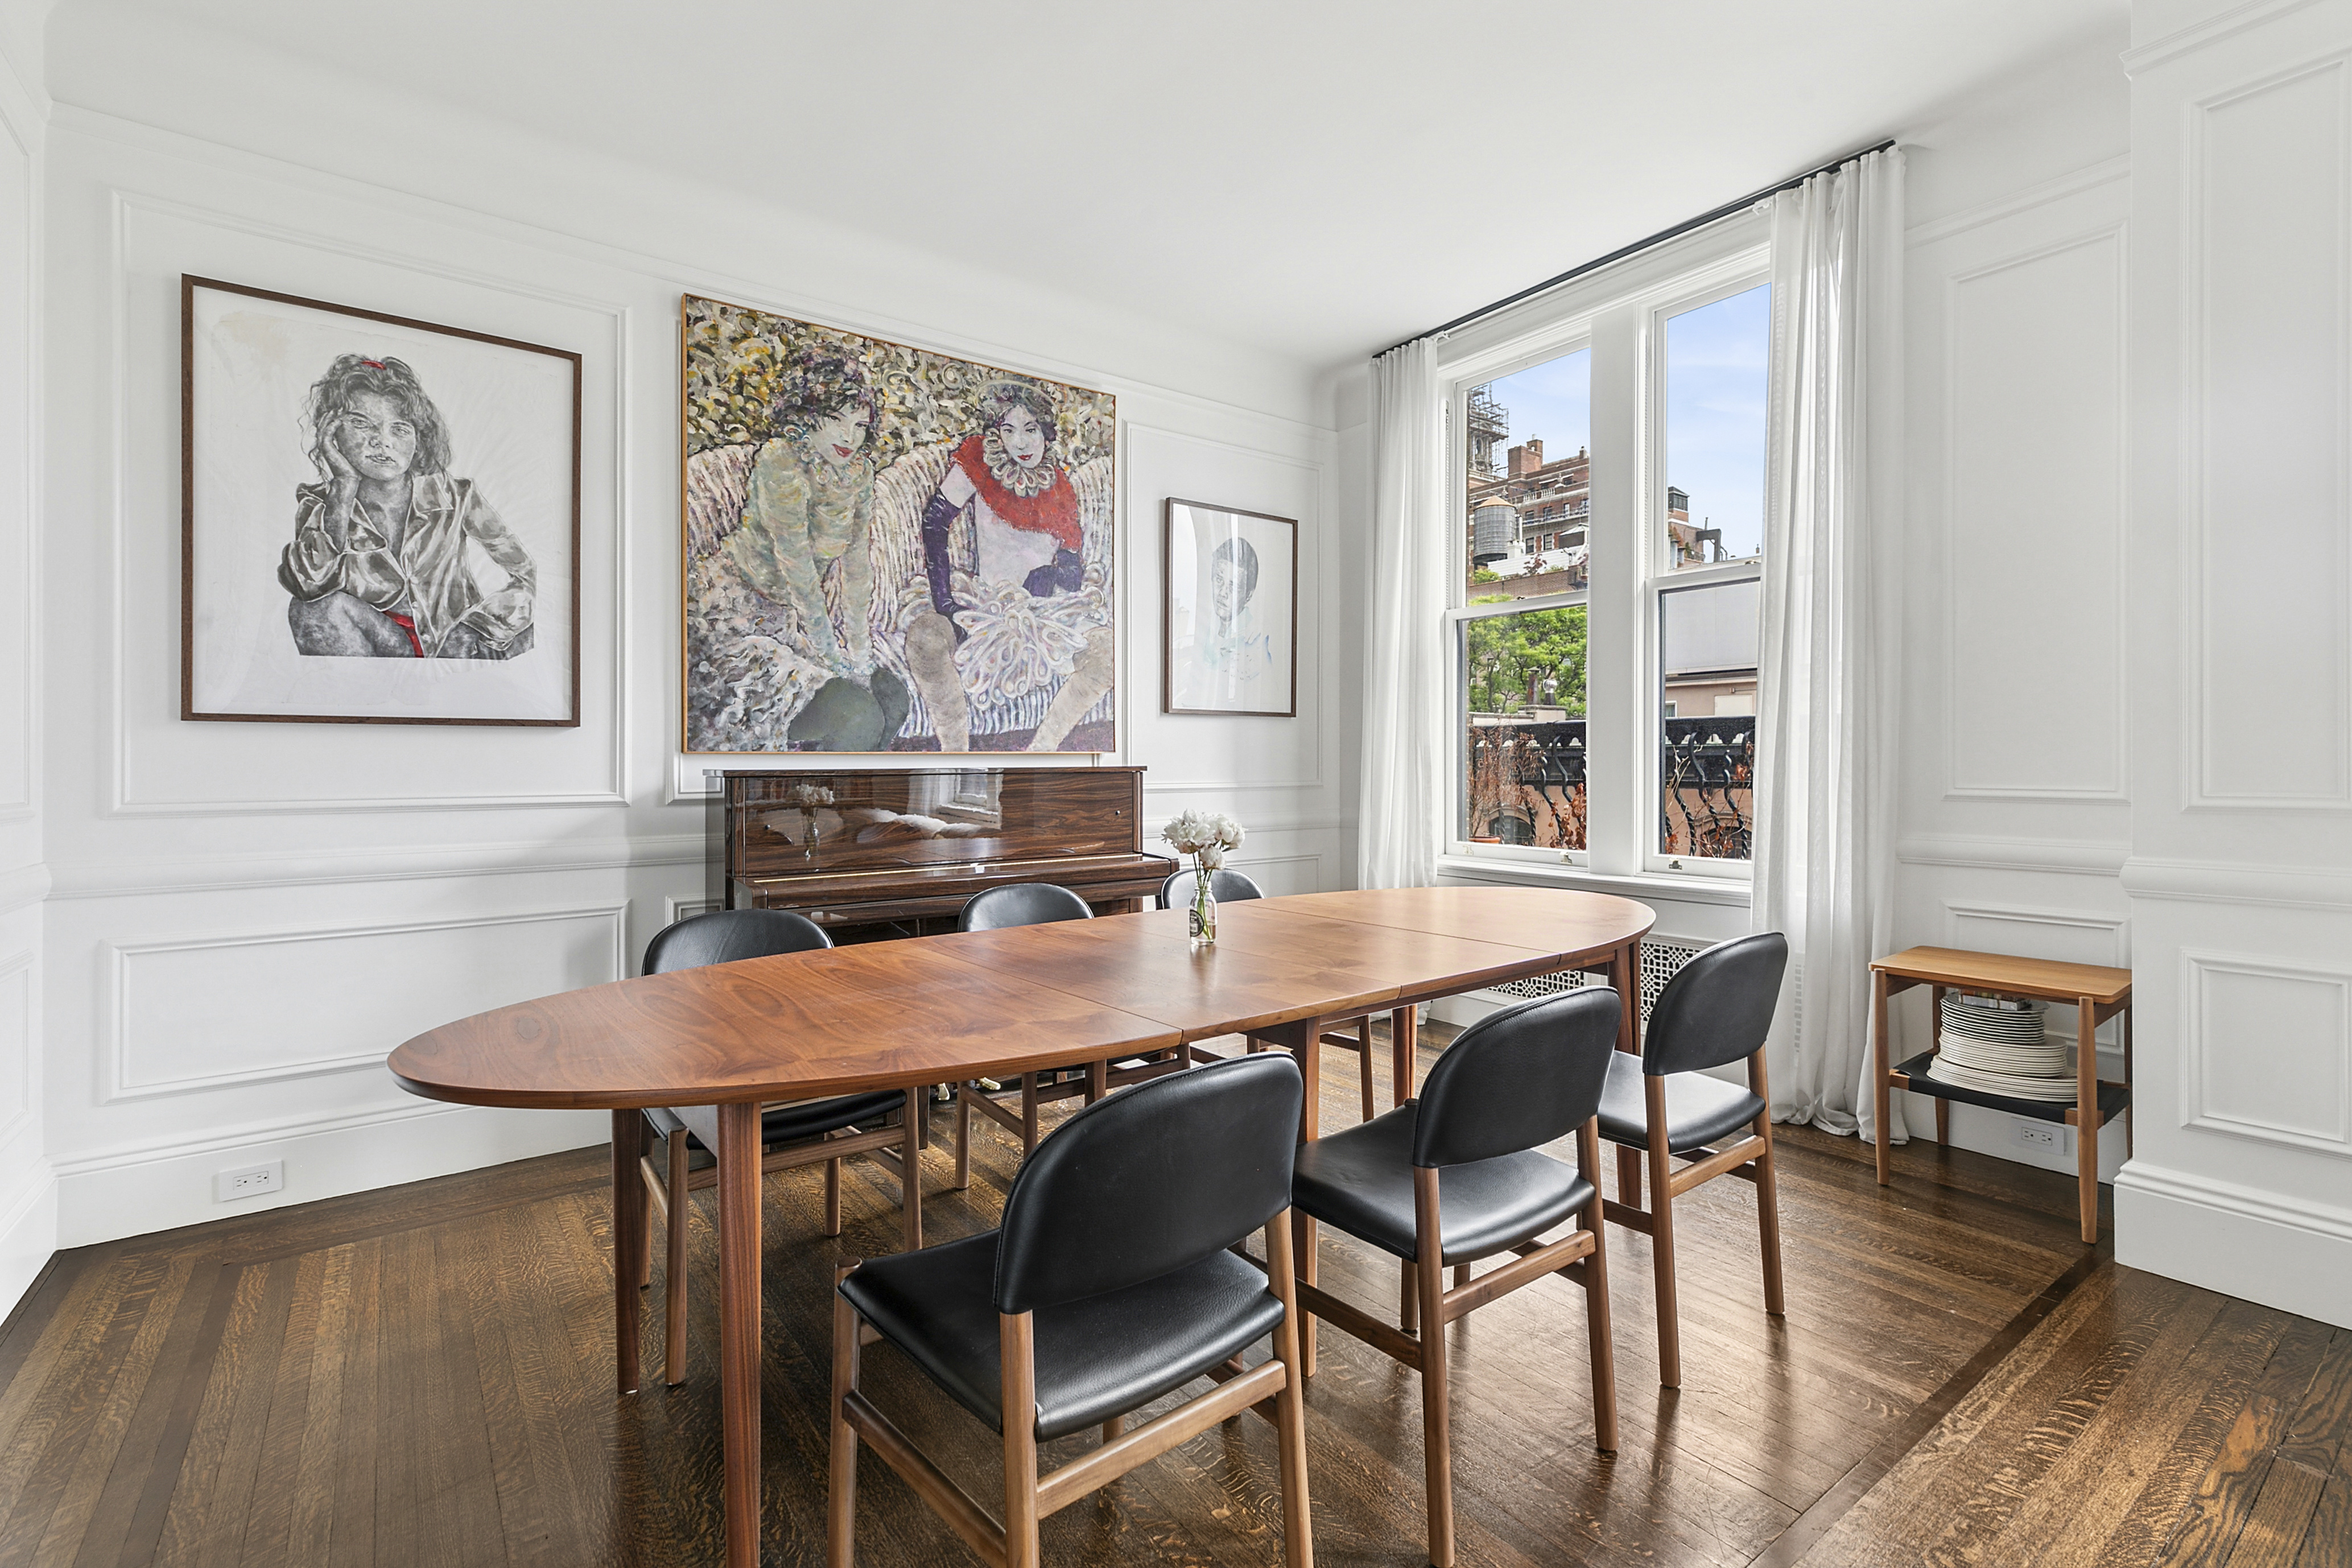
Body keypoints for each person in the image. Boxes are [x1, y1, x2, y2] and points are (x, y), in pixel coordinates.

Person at [279, 354, 536, 659]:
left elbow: (529, 574)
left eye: (399, 429)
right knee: (312, 610)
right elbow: (310, 586)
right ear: (331, 432)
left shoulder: (456, 494)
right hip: (384, 648)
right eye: (362, 424)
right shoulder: (322, 502)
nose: (382, 441)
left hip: (456, 647)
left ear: (420, 439)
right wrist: (343, 490)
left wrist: (481, 626)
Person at [906, 379, 1112, 750]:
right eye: (1009, 430)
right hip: (986, 604)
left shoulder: (1059, 485)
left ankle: (1041, 753)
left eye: (1031, 429)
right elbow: (935, 522)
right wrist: (946, 603)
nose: (1020, 443)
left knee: (1109, 654)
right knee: (924, 637)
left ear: (1046, 433)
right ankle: (956, 755)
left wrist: (1051, 576)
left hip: (1046, 612)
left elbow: (1072, 566)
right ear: (997, 433)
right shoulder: (981, 462)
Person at [721, 348, 907, 749]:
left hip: (800, 619)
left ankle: (854, 802)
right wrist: (831, 660)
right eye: (836, 419)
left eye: (860, 425)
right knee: (858, 713)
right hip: (743, 616)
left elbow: (857, 569)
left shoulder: (859, 472)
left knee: (893, 700)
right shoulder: (780, 460)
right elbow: (799, 571)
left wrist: (859, 655)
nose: (849, 437)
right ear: (807, 415)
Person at [1175, 534, 1276, 708]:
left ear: (1249, 595)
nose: (1223, 593)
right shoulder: (1203, 632)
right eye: (1219, 580)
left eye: (1233, 586)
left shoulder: (1254, 642)